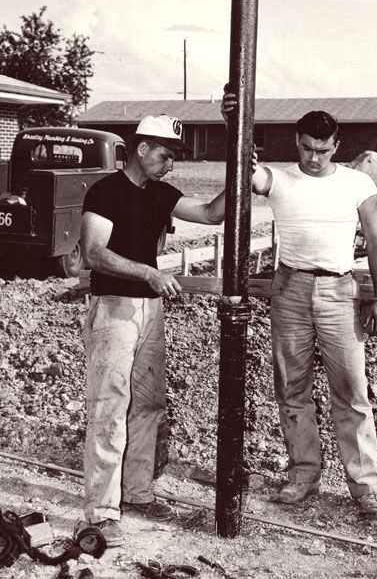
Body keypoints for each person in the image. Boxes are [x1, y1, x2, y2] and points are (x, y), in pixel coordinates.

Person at [223, 93, 377, 520]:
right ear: (296, 142)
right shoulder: (278, 180)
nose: (314, 158)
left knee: (351, 392)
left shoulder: (357, 183)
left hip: (339, 292)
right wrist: (232, 123)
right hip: (290, 289)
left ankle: (366, 487)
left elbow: (375, 241)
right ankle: (303, 476)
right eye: (306, 149)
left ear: (336, 146)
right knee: (291, 389)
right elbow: (245, 171)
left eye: (322, 149)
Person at [77, 115, 227, 547]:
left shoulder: (160, 193)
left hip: (150, 310)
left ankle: (137, 493)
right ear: (142, 150)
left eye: (174, 158)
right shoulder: (105, 191)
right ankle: (102, 512)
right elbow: (92, 253)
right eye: (165, 156)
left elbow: (210, 214)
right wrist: (147, 272)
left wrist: (242, 174)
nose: (170, 166)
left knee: (147, 403)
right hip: (114, 310)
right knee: (109, 406)